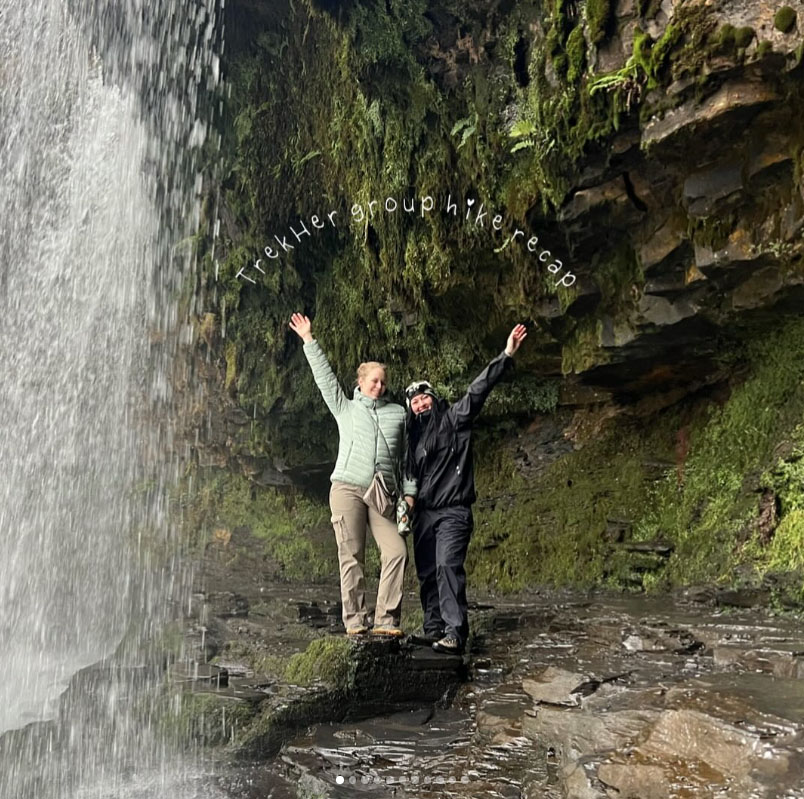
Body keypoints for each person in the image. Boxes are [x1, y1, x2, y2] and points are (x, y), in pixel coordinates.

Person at [289, 312, 416, 637]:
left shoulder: (398, 415)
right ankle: (356, 621)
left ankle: (386, 620)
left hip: (382, 493)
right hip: (347, 488)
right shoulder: (346, 408)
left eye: (383, 382)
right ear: (360, 382)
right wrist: (308, 339)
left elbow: (408, 458)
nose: (379, 386)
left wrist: (409, 491)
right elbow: (325, 379)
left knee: (397, 552)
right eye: (373, 380)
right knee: (352, 555)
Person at [405, 324, 527, 654]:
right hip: (423, 516)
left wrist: (507, 354)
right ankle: (433, 629)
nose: (420, 404)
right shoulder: (413, 441)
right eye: (414, 402)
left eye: (423, 398)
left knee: (447, 565)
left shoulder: (454, 419)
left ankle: (455, 632)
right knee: (428, 572)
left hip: (453, 512)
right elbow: (408, 478)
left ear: (434, 398)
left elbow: (478, 390)